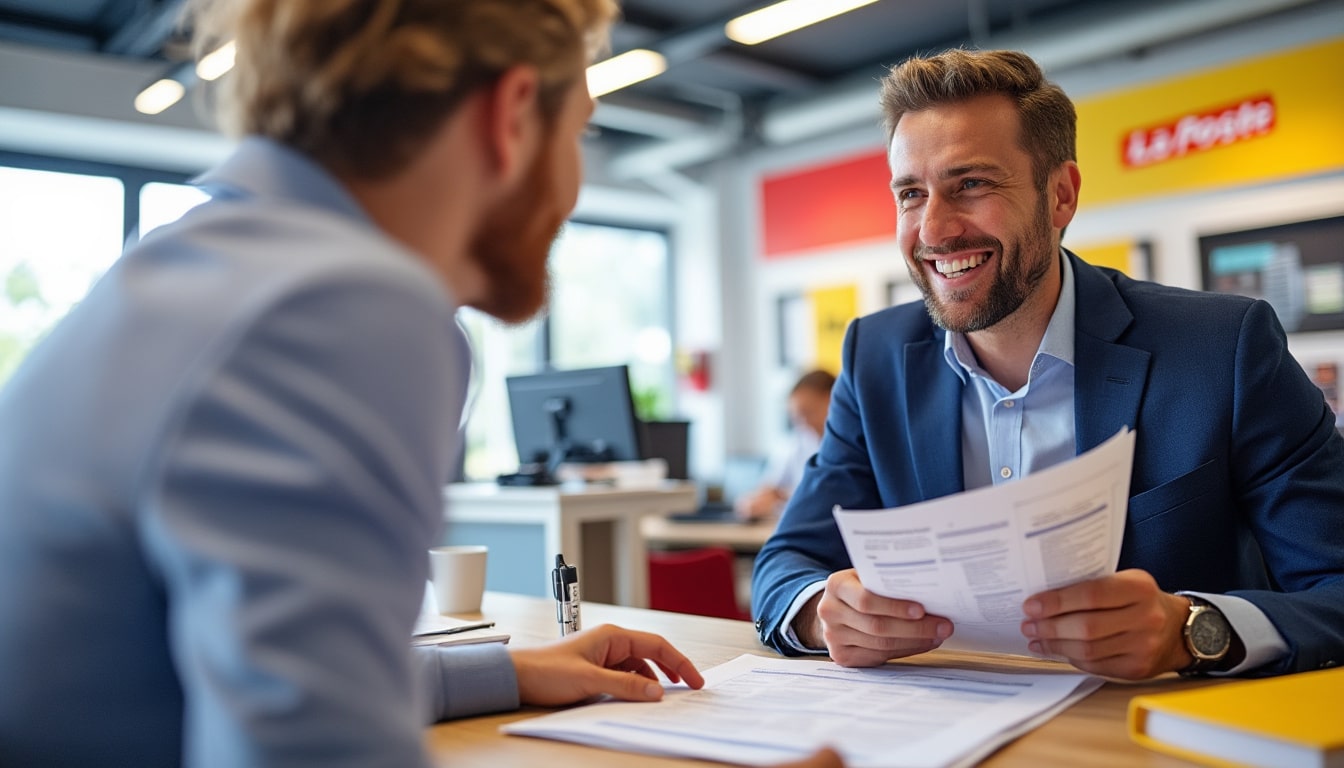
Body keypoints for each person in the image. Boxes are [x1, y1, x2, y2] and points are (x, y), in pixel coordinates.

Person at [0, 2, 842, 767]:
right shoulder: (339, 301)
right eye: (579, 133)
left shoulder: (204, 263)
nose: (574, 186)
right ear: (513, 117)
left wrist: (506, 671)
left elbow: (266, 674)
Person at [751, 48, 1344, 681]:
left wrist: (1192, 630)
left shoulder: (1221, 347)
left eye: (971, 184)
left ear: (1060, 195)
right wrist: (820, 611)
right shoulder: (875, 358)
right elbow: (786, 561)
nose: (934, 229)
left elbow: (1333, 584)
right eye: (911, 194)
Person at [736, 369, 835, 520]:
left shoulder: (854, 444)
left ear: (832, 401)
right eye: (797, 417)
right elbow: (770, 487)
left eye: (808, 412)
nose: (803, 423)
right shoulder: (797, 442)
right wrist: (756, 501)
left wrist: (784, 496)